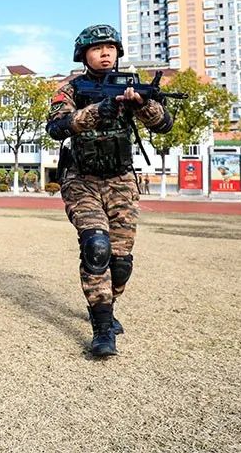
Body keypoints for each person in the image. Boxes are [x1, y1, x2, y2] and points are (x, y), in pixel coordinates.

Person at [46, 24, 173, 357]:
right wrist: (95, 113)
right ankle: (103, 329)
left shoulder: (132, 84)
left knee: (120, 262)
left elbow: (164, 124)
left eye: (111, 48)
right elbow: (56, 127)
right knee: (96, 247)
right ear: (83, 54)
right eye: (97, 48)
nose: (105, 53)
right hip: (81, 179)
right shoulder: (70, 88)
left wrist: (141, 105)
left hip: (120, 180)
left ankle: (105, 304)